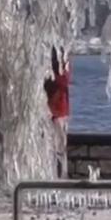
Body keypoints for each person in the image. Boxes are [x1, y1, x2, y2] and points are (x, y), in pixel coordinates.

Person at [44, 45, 70, 178]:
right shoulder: (61, 70)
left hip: (57, 113)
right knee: (58, 150)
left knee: (57, 150)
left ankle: (58, 178)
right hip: (58, 113)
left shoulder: (57, 72)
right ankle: (58, 177)